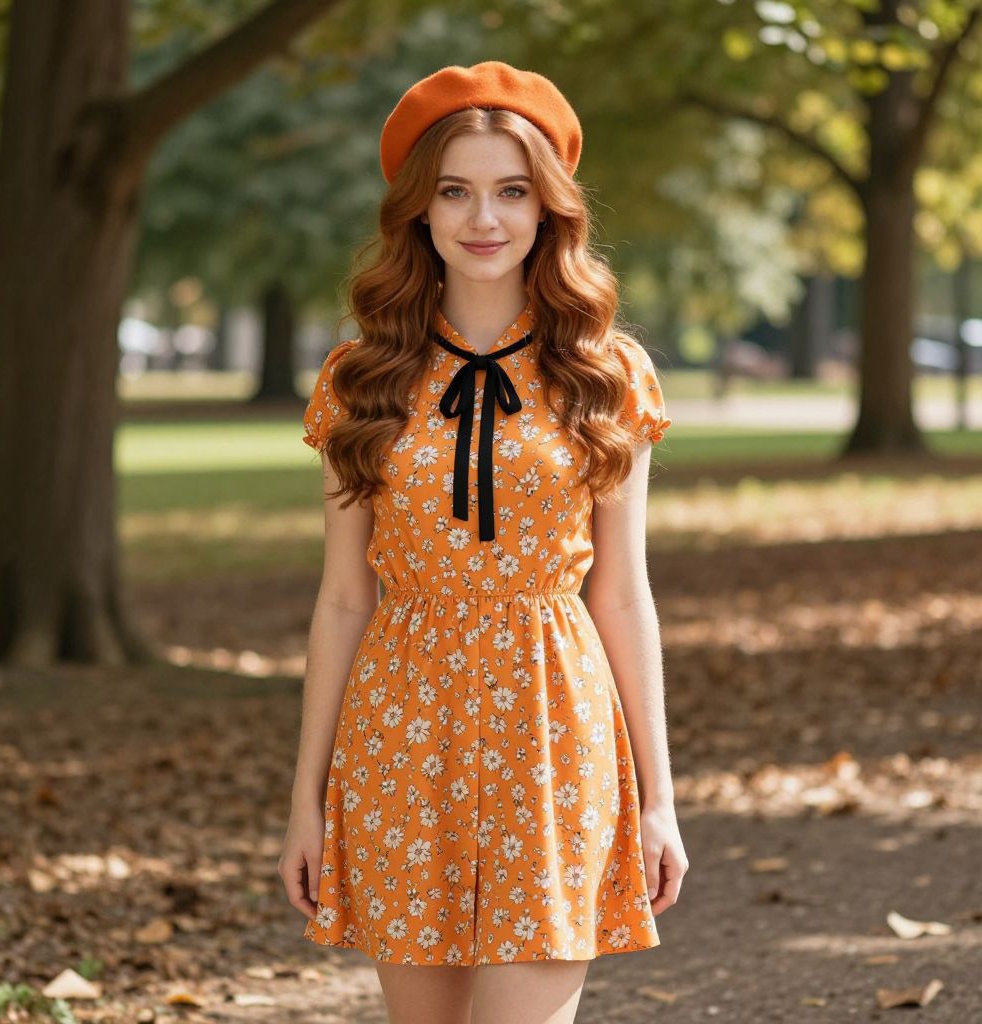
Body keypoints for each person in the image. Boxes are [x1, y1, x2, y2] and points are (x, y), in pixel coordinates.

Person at [278, 60, 688, 1024]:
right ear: (419, 212)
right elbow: (343, 598)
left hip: (555, 729)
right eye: (454, 192)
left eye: (512, 191)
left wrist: (659, 798)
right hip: (398, 736)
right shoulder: (361, 378)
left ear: (549, 210)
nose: (483, 219)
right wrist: (308, 802)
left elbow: (623, 594)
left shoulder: (604, 374)